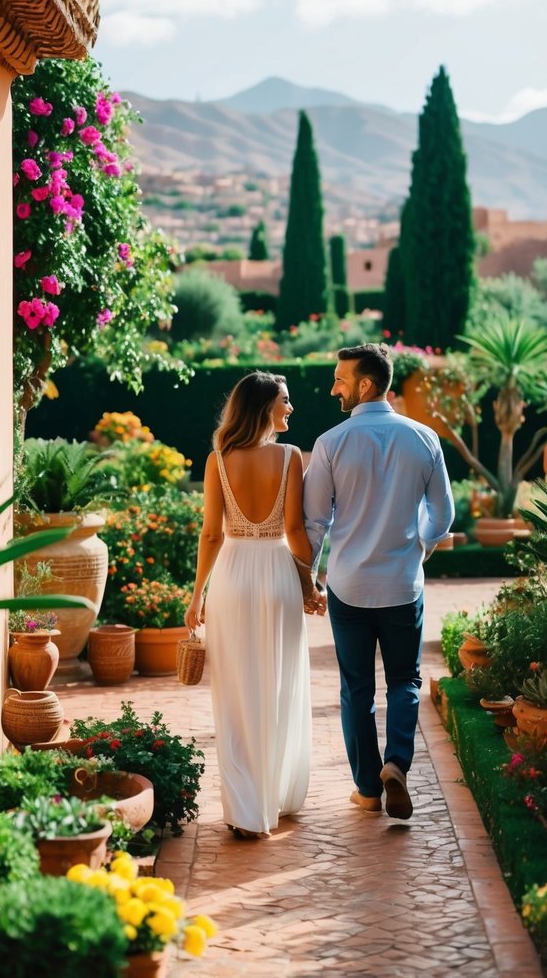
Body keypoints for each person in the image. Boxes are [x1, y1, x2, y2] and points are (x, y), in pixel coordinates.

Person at [303, 343, 454, 819]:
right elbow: (443, 515)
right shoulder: (425, 439)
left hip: (348, 586)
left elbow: (314, 524)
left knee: (356, 690)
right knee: (405, 681)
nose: (333, 388)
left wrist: (308, 578)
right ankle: (397, 764)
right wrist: (421, 547)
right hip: (402, 585)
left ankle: (368, 788)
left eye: (340, 379)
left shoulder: (330, 443)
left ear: (365, 384)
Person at [185, 371, 325, 839]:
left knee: (237, 692)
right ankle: (276, 795)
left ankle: (246, 809)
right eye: (285, 401)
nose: (291, 408)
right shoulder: (290, 458)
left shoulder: (217, 460)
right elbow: (295, 533)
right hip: (278, 576)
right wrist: (310, 584)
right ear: (264, 406)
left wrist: (196, 595)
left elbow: (210, 534)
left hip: (232, 576)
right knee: (278, 687)